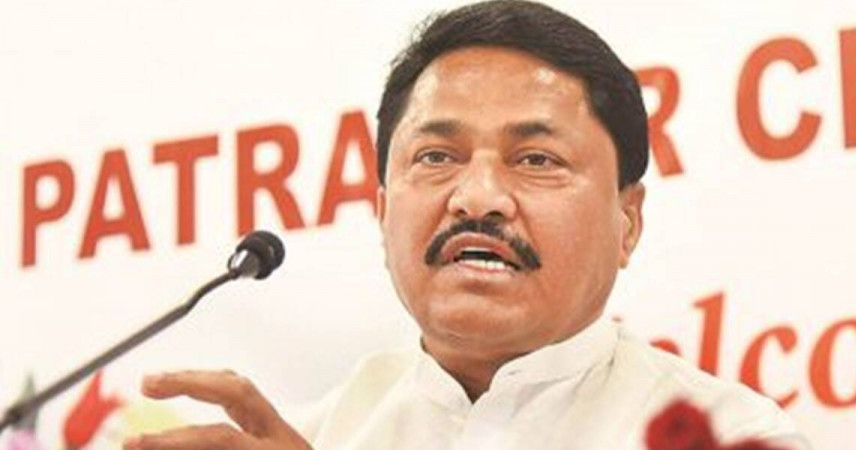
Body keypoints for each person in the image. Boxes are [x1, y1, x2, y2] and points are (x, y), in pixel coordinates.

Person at [124, 1, 810, 449]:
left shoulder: (729, 435)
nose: (477, 197)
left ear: (627, 221)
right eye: (437, 157)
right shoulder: (322, 433)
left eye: (536, 159)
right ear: (383, 210)